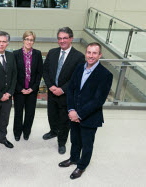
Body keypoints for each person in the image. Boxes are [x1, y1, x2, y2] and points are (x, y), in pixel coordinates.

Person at [59, 42, 113, 179]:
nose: (91, 56)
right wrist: (71, 110)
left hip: (89, 117)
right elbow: (71, 89)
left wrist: (79, 114)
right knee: (75, 140)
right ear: (86, 53)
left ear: (99, 55)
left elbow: (98, 100)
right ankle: (73, 159)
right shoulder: (79, 68)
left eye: (94, 53)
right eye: (89, 52)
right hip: (73, 114)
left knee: (87, 144)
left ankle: (81, 166)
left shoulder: (105, 74)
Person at [42, 27, 85, 154]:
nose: (62, 41)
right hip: (52, 92)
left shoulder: (79, 57)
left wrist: (62, 89)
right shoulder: (52, 52)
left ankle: (61, 142)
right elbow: (45, 71)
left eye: (65, 38)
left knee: (64, 120)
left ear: (71, 38)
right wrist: (50, 86)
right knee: (52, 115)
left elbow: (77, 78)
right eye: (60, 38)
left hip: (66, 95)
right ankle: (53, 131)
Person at [13, 31, 43, 141]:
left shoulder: (37, 54)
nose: (29, 42)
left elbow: (39, 73)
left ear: (33, 41)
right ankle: (17, 132)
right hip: (19, 90)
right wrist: (20, 88)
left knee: (30, 113)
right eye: (27, 39)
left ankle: (26, 132)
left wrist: (33, 88)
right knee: (18, 113)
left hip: (32, 90)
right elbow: (13, 74)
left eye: (31, 40)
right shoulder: (15, 54)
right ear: (23, 40)